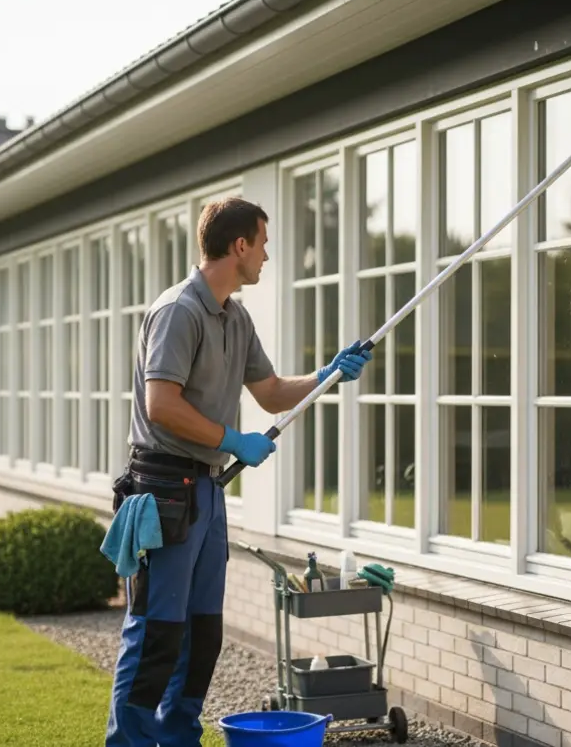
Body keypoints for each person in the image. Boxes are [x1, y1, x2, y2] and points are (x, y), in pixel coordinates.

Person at [103, 196, 373, 747]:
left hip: (206, 491)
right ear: (239, 245)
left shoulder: (234, 315)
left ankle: (177, 738)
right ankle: (127, 742)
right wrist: (231, 439)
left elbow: (272, 394)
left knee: (202, 635)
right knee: (158, 631)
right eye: (264, 243)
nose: (268, 256)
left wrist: (326, 375)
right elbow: (161, 404)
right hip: (163, 492)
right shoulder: (180, 311)